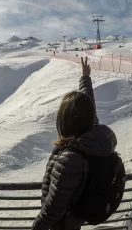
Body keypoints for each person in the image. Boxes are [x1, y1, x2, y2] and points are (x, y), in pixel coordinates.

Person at [32, 57, 118, 230]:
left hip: (63, 224)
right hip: (77, 216)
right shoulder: (92, 135)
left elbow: (54, 208)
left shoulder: (69, 159)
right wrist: (85, 77)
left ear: (65, 120)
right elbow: (88, 103)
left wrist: (36, 227)